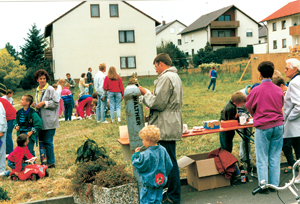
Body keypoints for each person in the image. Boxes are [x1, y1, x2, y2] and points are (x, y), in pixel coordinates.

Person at [139, 53, 183, 204]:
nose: (155, 69)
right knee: (169, 159)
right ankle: (172, 193)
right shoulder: (175, 77)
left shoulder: (165, 77)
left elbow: (158, 103)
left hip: (165, 123)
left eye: (155, 66)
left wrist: (145, 94)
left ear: (160, 64)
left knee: (168, 161)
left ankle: (173, 196)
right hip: (171, 121)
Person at [246, 61, 284, 194]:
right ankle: (274, 185)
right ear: (272, 74)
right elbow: (281, 105)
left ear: (260, 74)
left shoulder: (256, 90)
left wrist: (255, 115)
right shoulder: (278, 89)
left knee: (262, 157)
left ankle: (263, 185)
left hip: (263, 126)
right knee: (275, 156)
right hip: (278, 125)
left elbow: (249, 106)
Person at [132, 125, 173, 204]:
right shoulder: (163, 150)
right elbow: (169, 165)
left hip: (148, 186)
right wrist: (163, 174)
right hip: (160, 183)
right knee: (158, 201)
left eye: (143, 140)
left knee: (146, 201)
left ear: (149, 141)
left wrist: (136, 154)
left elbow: (137, 163)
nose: (142, 142)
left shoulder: (145, 154)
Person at [32, 69, 59, 168]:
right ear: (37, 80)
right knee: (41, 142)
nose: (42, 80)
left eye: (44, 78)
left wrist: (44, 103)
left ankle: (51, 162)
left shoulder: (50, 89)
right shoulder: (37, 89)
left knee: (48, 141)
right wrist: (36, 104)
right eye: (40, 79)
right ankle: (44, 161)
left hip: (49, 120)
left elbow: (56, 103)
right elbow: (39, 103)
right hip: (40, 120)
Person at [282, 58, 300, 181]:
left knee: (298, 151)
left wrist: (289, 117)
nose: (285, 70)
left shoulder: (294, 83)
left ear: (294, 69)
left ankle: (299, 177)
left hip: (296, 125)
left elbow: (298, 106)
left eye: (287, 68)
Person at [236, 85, 253, 163]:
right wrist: (245, 117)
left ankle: (244, 154)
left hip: (250, 117)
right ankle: (245, 157)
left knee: (247, 137)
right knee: (244, 137)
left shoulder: (254, 93)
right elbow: (238, 110)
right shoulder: (240, 94)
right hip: (242, 118)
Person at [0, 85, 8, 176]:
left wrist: (1, 130)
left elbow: (2, 118)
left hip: (0, 131)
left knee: (1, 151)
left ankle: (1, 169)